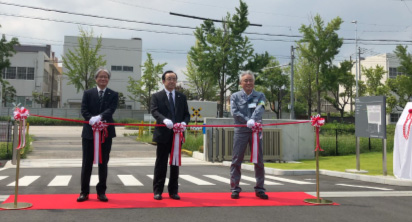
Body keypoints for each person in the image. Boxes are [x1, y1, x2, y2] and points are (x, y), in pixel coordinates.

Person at [77, 68, 119, 202]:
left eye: (106, 77)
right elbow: (84, 109)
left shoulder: (113, 94)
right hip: (89, 133)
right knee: (86, 163)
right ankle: (84, 192)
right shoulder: (88, 93)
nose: (103, 79)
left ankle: (101, 192)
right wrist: (91, 119)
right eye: (100, 77)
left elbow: (111, 110)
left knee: (103, 163)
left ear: (108, 79)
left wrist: (100, 117)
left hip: (106, 133)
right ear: (96, 79)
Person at [151, 70, 190, 200]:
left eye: (174, 79)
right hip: (163, 135)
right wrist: (164, 120)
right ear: (163, 81)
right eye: (169, 79)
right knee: (161, 163)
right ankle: (158, 191)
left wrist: (184, 122)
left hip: (177, 135)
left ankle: (173, 191)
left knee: (175, 164)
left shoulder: (181, 97)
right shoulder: (157, 96)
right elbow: (154, 111)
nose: (172, 81)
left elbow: (186, 114)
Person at [230, 70, 268, 200]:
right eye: (245, 80)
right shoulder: (235, 96)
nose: (248, 83)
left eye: (250, 80)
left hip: (255, 130)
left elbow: (260, 108)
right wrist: (247, 121)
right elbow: (234, 112)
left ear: (254, 82)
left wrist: (253, 120)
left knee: (259, 161)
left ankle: (260, 188)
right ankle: (235, 188)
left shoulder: (260, 95)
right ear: (240, 83)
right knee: (236, 160)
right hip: (241, 131)